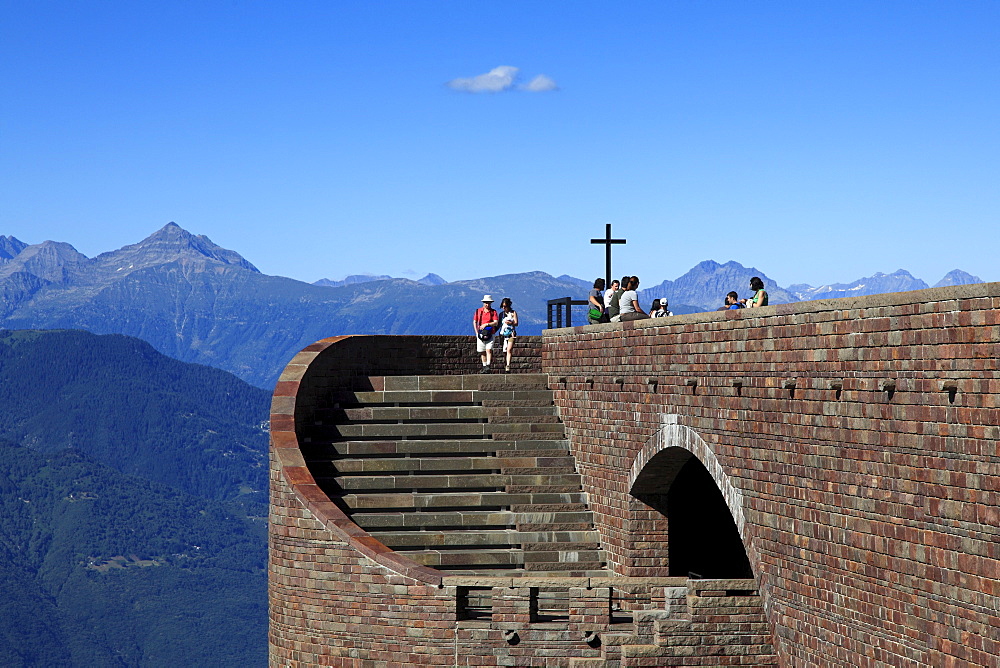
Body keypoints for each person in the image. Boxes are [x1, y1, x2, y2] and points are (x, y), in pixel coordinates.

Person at [473, 295, 500, 373]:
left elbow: (496, 322)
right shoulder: (478, 311)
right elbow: (475, 321)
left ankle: (488, 365)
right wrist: (476, 332)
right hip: (480, 334)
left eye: (488, 303)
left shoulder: (493, 312)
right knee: (482, 351)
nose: (487, 304)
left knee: (488, 349)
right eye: (486, 303)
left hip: (490, 334)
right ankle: (484, 366)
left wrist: (487, 324)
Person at [498, 297, 518, 372]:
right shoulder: (501, 314)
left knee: (509, 349)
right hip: (503, 334)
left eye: (505, 306)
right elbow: (499, 324)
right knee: (504, 351)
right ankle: (505, 363)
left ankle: (508, 365)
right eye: (503, 306)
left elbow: (516, 323)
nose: (504, 308)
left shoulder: (513, 313)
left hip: (511, 333)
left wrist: (511, 323)